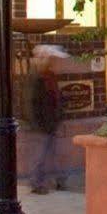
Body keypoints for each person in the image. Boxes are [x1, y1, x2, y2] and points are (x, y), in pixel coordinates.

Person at [28, 47, 67, 194]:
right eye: (50, 60)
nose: (52, 63)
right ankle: (37, 182)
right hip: (42, 125)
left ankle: (60, 179)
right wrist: (38, 122)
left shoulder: (49, 77)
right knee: (41, 155)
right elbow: (33, 103)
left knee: (53, 153)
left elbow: (56, 99)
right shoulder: (38, 79)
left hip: (50, 122)